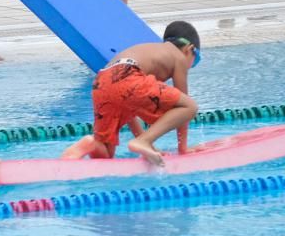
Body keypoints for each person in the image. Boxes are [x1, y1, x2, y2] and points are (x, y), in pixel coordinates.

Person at [62, 21, 201, 165]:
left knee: (105, 155)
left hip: (102, 81)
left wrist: (146, 144)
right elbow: (183, 102)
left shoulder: (150, 52)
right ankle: (144, 141)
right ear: (189, 49)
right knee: (190, 107)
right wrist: (182, 148)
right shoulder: (179, 57)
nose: (192, 64)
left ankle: (90, 143)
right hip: (127, 75)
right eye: (195, 59)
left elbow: (128, 103)